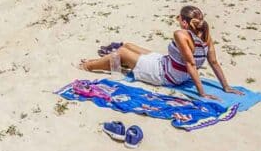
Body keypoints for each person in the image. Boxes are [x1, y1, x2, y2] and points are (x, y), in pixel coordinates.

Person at [79, 5, 243, 100]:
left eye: (179, 18)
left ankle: (88, 66)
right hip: (168, 64)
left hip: (165, 74)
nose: (177, 20)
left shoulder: (181, 34)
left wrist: (202, 93)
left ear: (184, 22)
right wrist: (226, 86)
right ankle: (105, 60)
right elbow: (213, 62)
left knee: (121, 52)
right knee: (128, 45)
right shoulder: (206, 35)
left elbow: (191, 63)